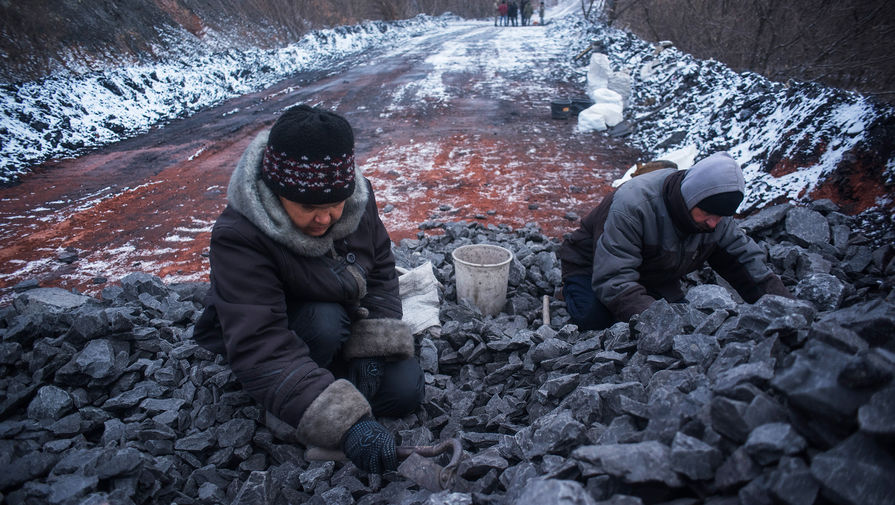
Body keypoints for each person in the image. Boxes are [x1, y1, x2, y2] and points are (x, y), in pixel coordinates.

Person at [193, 105, 424, 474]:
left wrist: (372, 349)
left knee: (405, 390)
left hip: (343, 323)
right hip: (288, 333)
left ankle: (310, 390)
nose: (325, 218)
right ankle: (288, 401)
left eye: (335, 204)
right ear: (276, 191)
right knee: (324, 321)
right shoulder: (239, 235)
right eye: (308, 207)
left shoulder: (358, 200)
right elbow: (259, 342)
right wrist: (348, 424)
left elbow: (380, 270)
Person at [557, 152, 792, 331]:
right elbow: (614, 279)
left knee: (679, 314)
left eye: (721, 217)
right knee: (595, 319)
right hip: (592, 265)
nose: (713, 224)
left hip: (653, 271)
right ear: (690, 199)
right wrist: (664, 328)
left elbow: (746, 264)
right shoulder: (633, 206)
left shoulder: (716, 216)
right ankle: (570, 289)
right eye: (708, 214)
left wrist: (788, 310)